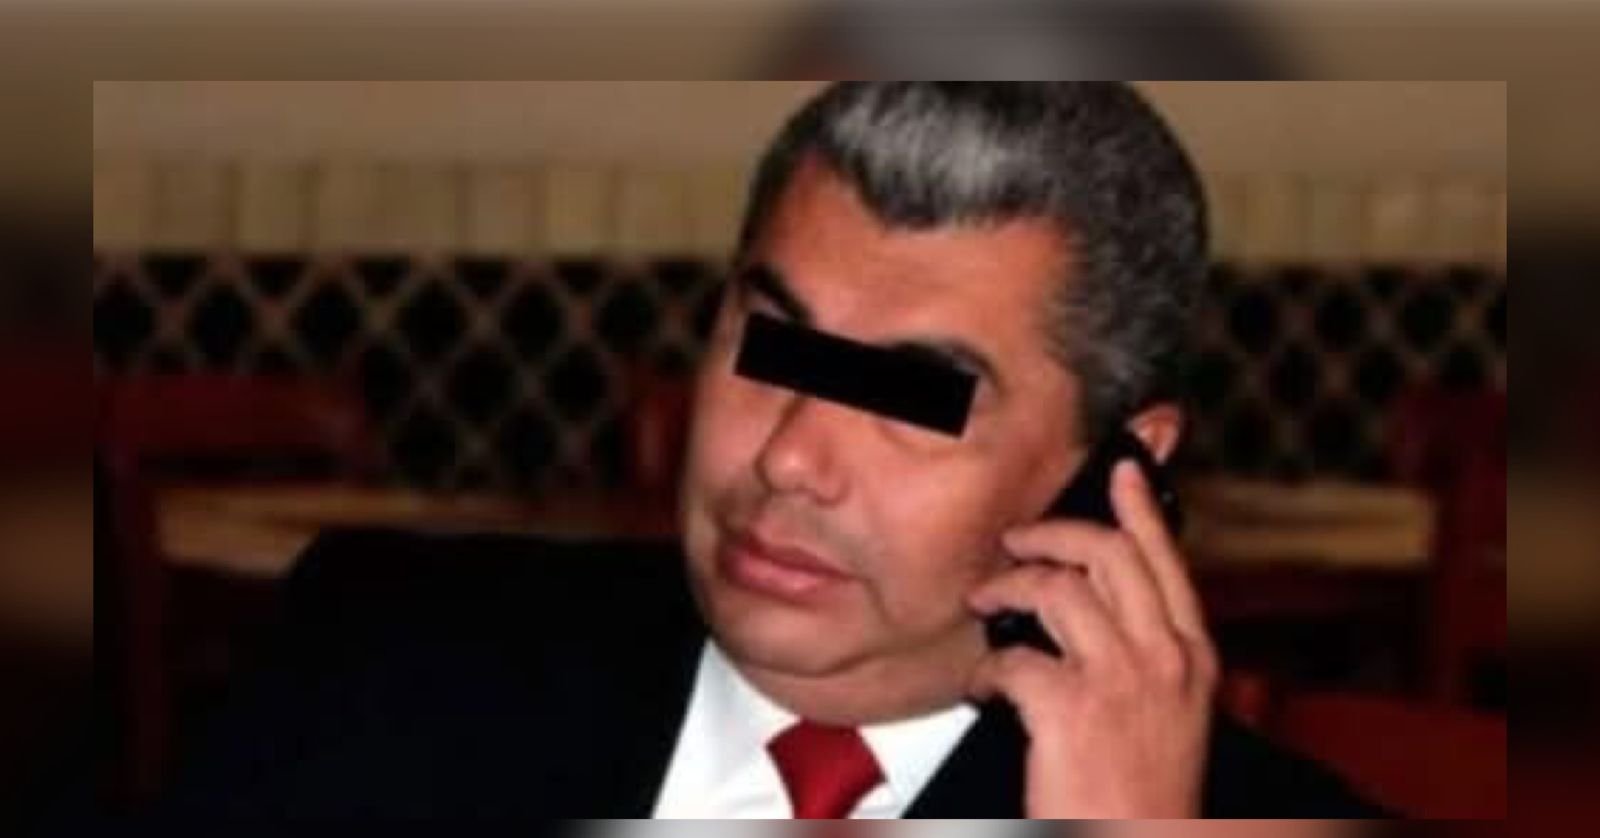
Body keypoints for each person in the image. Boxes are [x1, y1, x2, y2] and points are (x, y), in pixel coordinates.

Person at [145, 83, 1380, 821]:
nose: (792, 456)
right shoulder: (386, 651)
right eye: (771, 345)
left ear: (1120, 461)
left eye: (913, 398)